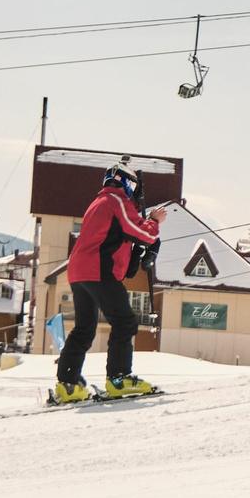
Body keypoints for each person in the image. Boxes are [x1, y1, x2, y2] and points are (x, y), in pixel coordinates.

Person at [52, 161, 167, 403]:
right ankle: (119, 378)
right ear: (128, 184)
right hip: (98, 270)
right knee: (125, 323)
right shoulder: (117, 201)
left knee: (84, 329)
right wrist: (154, 221)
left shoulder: (98, 202)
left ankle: (67, 384)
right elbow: (143, 234)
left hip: (78, 271)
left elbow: (121, 233)